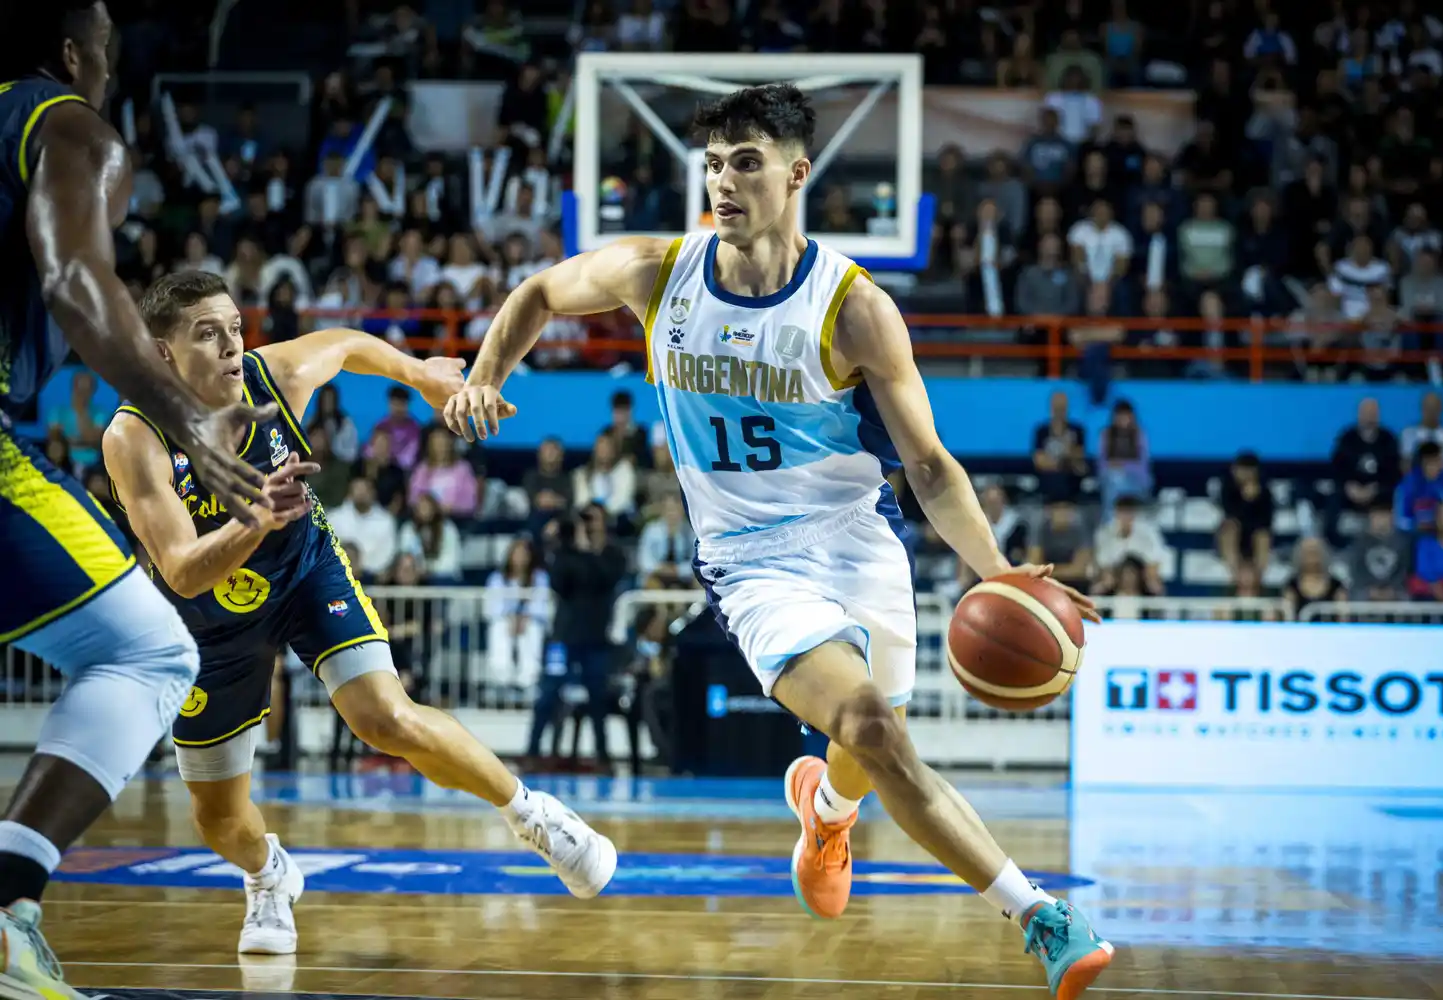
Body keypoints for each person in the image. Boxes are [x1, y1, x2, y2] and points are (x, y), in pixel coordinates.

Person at [446, 83, 1112, 997]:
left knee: (865, 755)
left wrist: (997, 574)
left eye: (747, 163)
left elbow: (928, 465)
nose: (724, 182)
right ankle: (1039, 916)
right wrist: (486, 375)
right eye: (714, 164)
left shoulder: (855, 308)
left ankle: (826, 814)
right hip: (750, 561)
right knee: (874, 727)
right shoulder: (657, 273)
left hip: (859, 539)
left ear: (797, 175)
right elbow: (537, 293)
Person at [101, 272, 617, 957]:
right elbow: (182, 569)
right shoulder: (134, 436)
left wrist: (420, 373)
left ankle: (535, 815)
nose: (231, 345)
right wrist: (256, 517)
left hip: (302, 570)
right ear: (162, 352)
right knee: (219, 820)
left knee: (384, 716)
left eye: (234, 327)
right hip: (205, 617)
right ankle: (268, 875)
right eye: (207, 333)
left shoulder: (273, 377)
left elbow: (345, 344)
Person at [0, 8, 280, 997]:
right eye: (109, 52)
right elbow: (76, 278)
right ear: (74, 53)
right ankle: (6, 907)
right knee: (148, 649)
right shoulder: (64, 123)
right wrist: (187, 417)